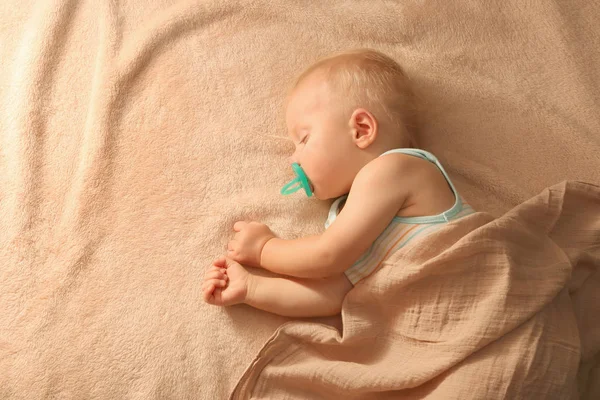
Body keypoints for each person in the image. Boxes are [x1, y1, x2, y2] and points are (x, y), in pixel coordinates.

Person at [202, 49, 474, 317]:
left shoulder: (396, 168)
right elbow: (335, 296)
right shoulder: (354, 218)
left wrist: (264, 249)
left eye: (304, 139)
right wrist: (251, 288)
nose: (293, 159)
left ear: (361, 130)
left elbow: (327, 256)